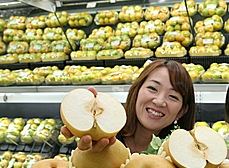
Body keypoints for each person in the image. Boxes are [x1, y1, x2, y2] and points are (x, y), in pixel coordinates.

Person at [61, 59, 196, 154]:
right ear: (136, 91)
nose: (159, 101)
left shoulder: (181, 154)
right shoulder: (108, 138)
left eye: (173, 97)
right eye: (152, 88)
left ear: (181, 112)